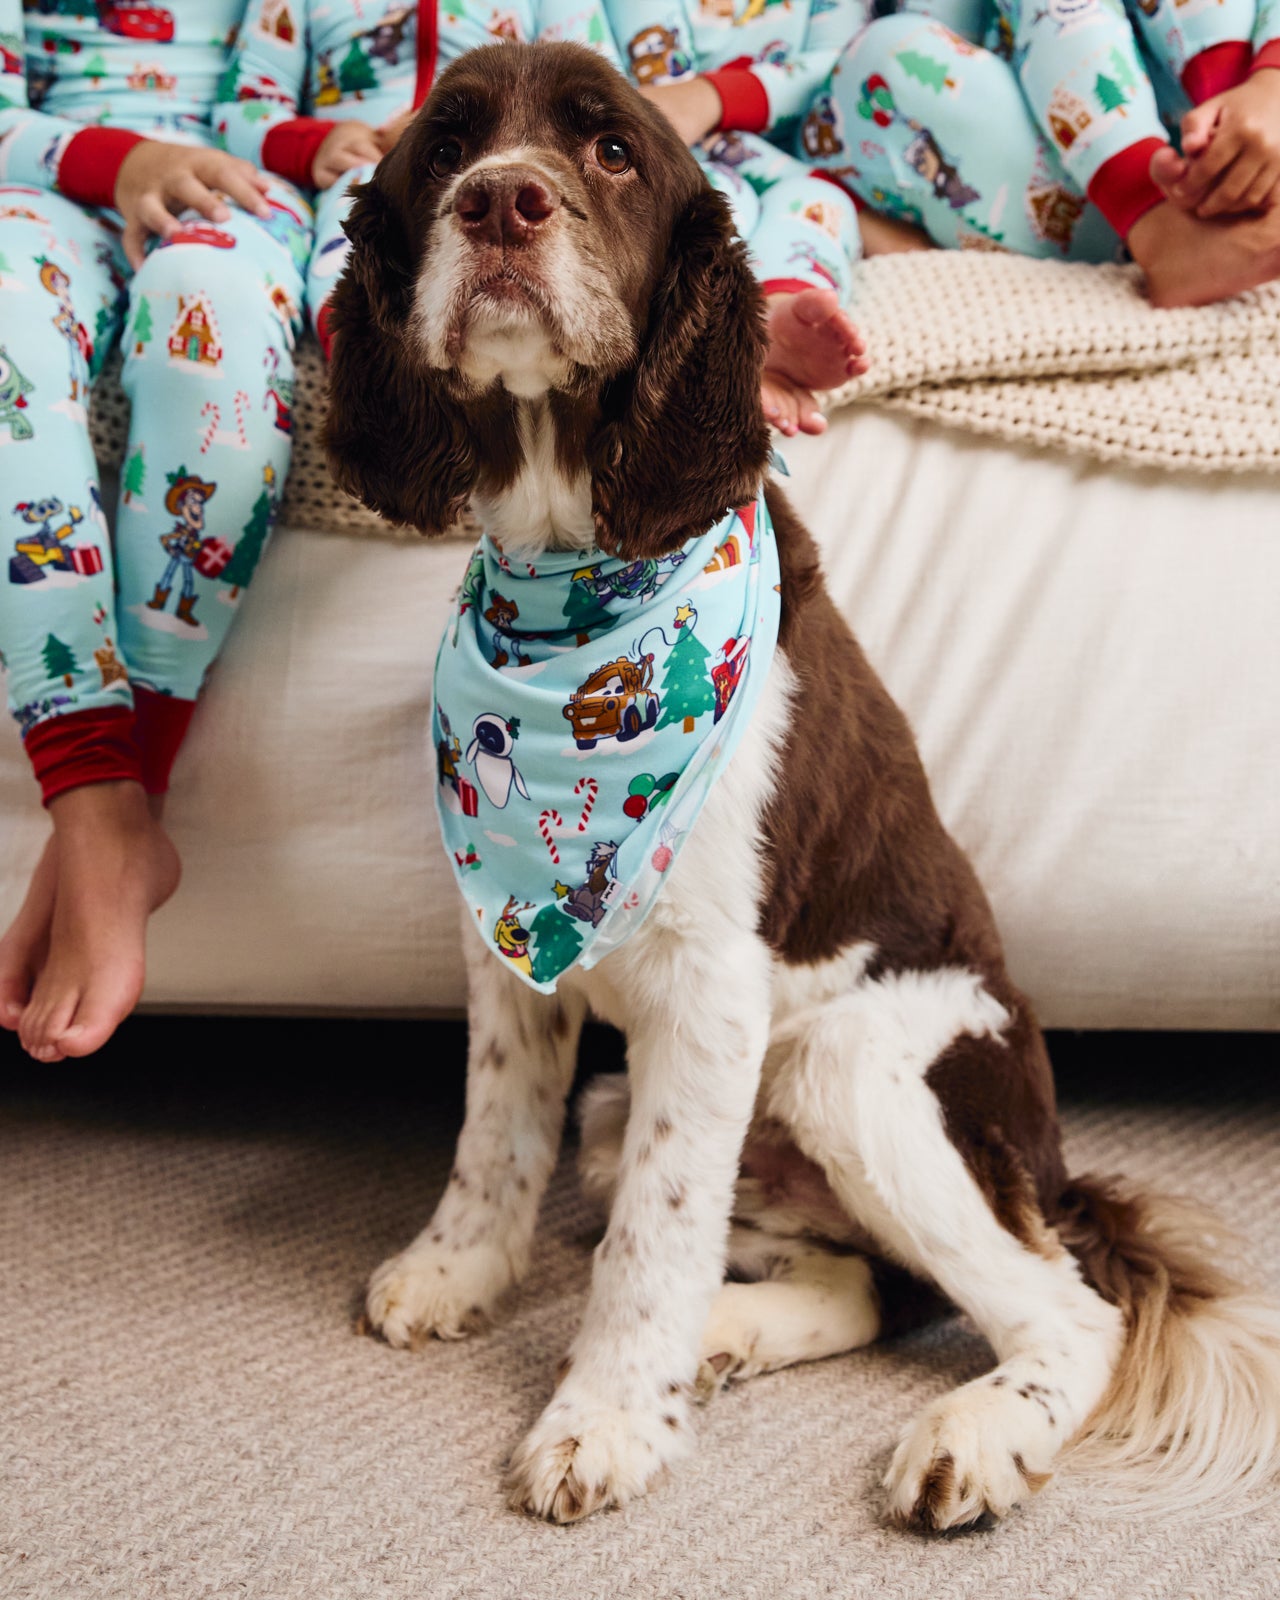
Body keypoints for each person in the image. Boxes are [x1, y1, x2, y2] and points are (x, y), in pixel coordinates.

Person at [0, 0, 311, 1062]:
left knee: (209, 313)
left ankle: (125, 815)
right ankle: (95, 805)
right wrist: (122, 159)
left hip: (239, 191)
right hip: (39, 184)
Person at [217, 0, 875, 433]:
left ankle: (771, 314)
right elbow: (244, 102)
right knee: (352, 224)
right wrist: (319, 143)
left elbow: (580, 76)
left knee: (815, 201)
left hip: (674, 142)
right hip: (379, 159)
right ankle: (388, 392)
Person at [802, 0, 1280, 305]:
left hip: (1217, 85)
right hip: (1058, 157)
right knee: (881, 57)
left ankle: (1237, 150)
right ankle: (1165, 226)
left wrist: (1271, 85)